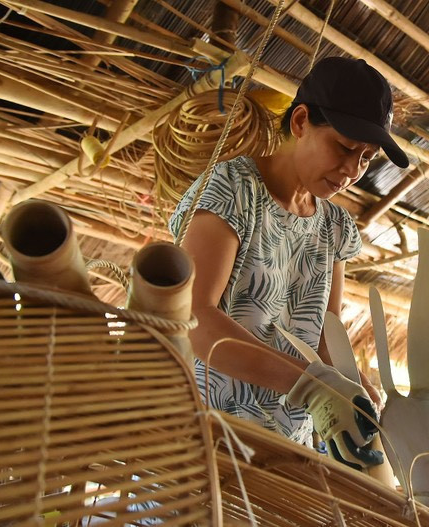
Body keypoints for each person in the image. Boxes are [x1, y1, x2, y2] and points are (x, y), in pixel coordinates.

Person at [169, 57, 409, 468]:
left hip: (288, 452)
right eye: (345, 148)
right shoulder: (232, 190)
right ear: (300, 122)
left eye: (366, 158)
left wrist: (352, 385)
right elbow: (193, 318)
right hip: (207, 441)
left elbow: (324, 336)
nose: (352, 171)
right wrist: (311, 385)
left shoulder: (334, 226)